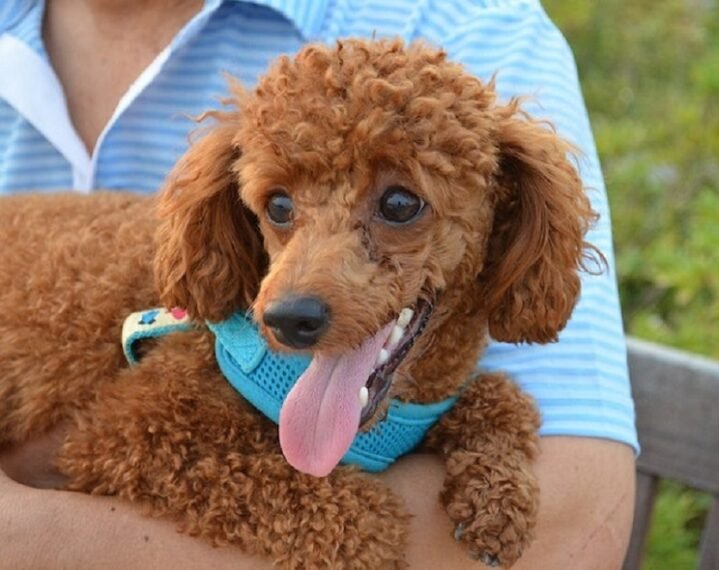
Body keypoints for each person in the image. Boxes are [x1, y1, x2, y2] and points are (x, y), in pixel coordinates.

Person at [0, 0, 638, 567]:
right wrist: (349, 533)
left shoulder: (470, 21)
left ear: (505, 208)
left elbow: (576, 532)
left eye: (398, 209)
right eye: (281, 210)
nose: (298, 288)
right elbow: (114, 449)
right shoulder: (221, 350)